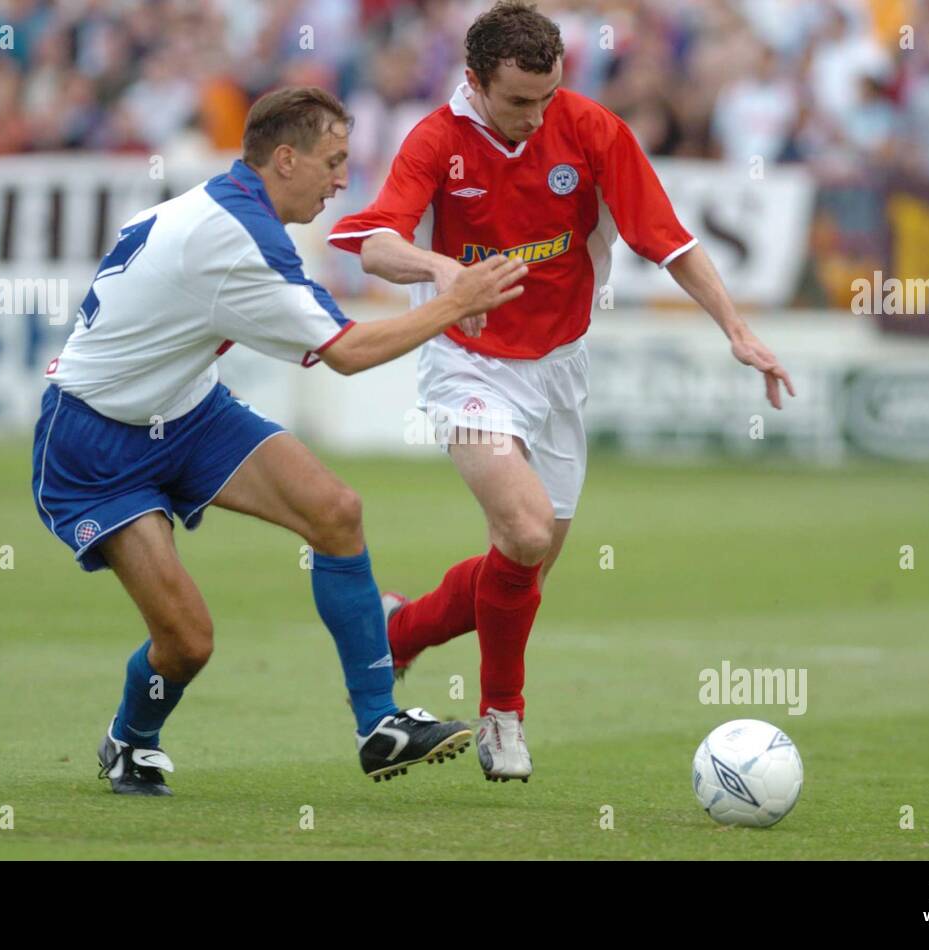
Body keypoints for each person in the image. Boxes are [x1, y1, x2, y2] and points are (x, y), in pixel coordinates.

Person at [328, 2, 794, 783]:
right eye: (517, 100)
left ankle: (399, 631)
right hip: (465, 361)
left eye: (546, 97)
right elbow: (374, 243)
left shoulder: (593, 129)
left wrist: (737, 331)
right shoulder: (436, 139)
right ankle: (502, 717)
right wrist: (443, 270)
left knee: (524, 563)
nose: (535, 116)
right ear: (474, 82)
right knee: (526, 529)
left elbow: (668, 241)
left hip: (560, 365)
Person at [32, 86, 528, 794]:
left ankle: (379, 725)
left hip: (189, 411)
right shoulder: (239, 240)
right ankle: (130, 740)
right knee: (188, 642)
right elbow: (348, 351)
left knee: (335, 510)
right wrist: (456, 301)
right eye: (333, 163)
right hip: (96, 441)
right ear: (284, 159)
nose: (340, 181)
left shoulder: (224, 206)